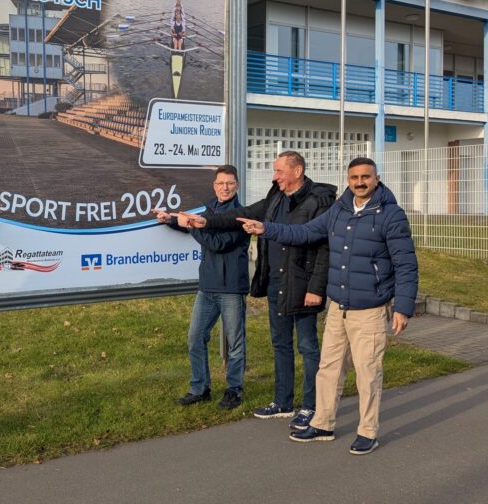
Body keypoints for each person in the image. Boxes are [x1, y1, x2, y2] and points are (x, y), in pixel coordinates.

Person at [236, 157, 418, 456]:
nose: (360, 182)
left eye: (366, 177)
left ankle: (367, 431)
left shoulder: (390, 215)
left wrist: (403, 307)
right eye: (354, 177)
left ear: (376, 178)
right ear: (348, 179)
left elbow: (406, 264)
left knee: (367, 373)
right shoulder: (340, 209)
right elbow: (305, 233)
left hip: (369, 309)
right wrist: (265, 229)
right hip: (338, 307)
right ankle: (323, 423)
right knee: (328, 369)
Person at [183, 152, 336, 431]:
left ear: (297, 171)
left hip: (303, 287)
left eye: (279, 171)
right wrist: (206, 222)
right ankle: (283, 402)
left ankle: (311, 406)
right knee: (281, 344)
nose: (274, 176)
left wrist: (316, 288)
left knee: (307, 346)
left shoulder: (318, 201)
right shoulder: (275, 197)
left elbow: (324, 248)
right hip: (277, 283)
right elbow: (242, 215)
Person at [154, 164, 250, 410]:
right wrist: (171, 220)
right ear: (214, 185)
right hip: (207, 287)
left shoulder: (240, 214)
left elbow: (217, 243)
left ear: (237, 185)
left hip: (231, 288)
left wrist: (191, 226)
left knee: (235, 343)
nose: (224, 187)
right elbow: (196, 225)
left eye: (229, 183)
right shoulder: (210, 208)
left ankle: (234, 390)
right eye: (220, 183)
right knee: (195, 338)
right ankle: (200, 388)